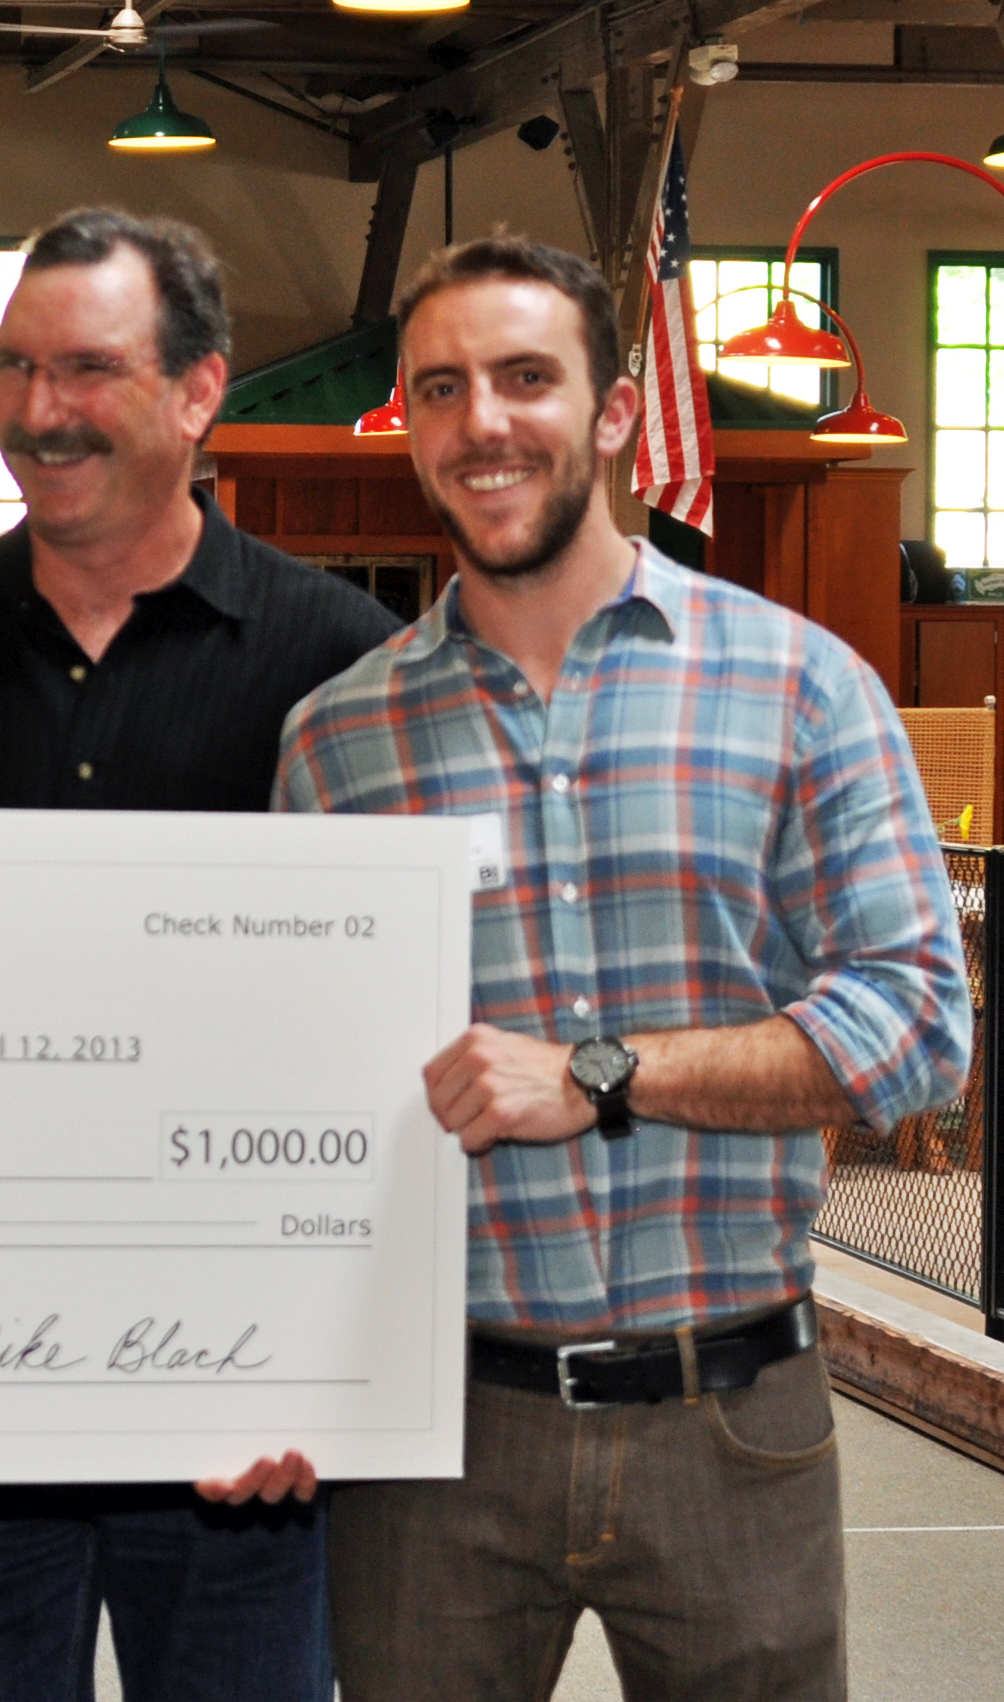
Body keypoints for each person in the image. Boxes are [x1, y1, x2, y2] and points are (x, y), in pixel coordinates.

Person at [279, 234, 970, 1700]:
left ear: (613, 408)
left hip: (733, 1413)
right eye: (442, 389)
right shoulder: (338, 740)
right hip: (440, 1434)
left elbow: (918, 1023)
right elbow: (295, 1100)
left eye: (527, 377)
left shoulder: (800, 685)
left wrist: (601, 1073)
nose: (484, 424)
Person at [0, 207, 394, 1702]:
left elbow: (394, 1046)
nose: (40, 412)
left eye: (89, 369)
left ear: (197, 392)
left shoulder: (344, 663)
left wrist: (341, 1365)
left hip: (244, 1418)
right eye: (12, 370)